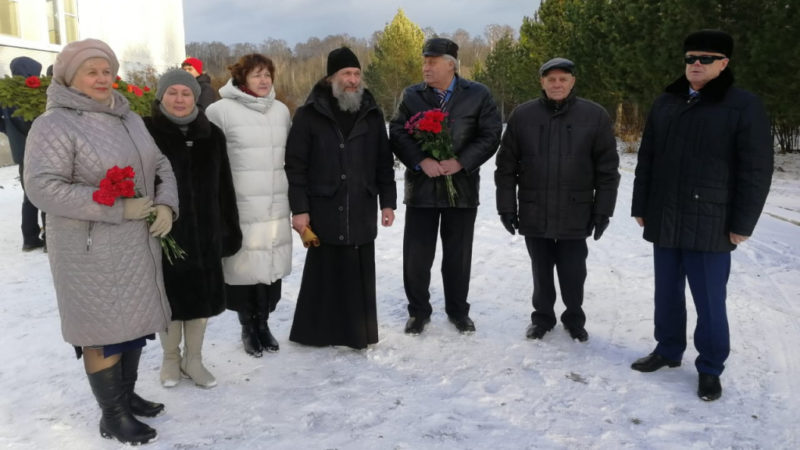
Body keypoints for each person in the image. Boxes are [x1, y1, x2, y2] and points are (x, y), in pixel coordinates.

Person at [24, 38, 179, 445]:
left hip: (137, 244)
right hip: (88, 250)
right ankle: (113, 415)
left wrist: (165, 205)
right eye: (91, 71)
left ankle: (125, 396)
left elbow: (160, 164)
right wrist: (115, 207)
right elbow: (42, 187)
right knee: (103, 330)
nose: (101, 78)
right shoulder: (55, 124)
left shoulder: (127, 118)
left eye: (107, 71)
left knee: (135, 324)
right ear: (69, 77)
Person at [631, 30, 773, 401]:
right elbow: (647, 157)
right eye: (691, 57)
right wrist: (641, 205)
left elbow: (756, 170)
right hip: (665, 214)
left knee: (710, 300)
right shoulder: (667, 101)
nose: (696, 64)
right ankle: (667, 349)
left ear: (723, 63)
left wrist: (743, 223)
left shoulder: (742, 105)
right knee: (666, 292)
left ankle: (710, 367)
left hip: (712, 220)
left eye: (705, 59)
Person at [494, 57, 620, 342]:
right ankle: (542, 318)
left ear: (573, 81)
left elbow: (608, 170)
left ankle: (574, 318)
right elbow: (505, 168)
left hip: (576, 210)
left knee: (573, 269)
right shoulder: (522, 116)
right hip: (533, 208)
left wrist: (603, 211)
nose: (557, 84)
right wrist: (506, 207)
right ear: (542, 82)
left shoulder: (594, 116)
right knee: (541, 268)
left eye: (563, 79)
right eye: (551, 79)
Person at [285, 47, 397, 350]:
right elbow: (296, 166)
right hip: (324, 205)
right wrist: (300, 210)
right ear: (331, 77)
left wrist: (388, 201)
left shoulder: (372, 113)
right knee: (326, 270)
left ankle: (356, 333)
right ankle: (318, 333)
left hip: (361, 203)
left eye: (357, 74)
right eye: (346, 73)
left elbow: (383, 162)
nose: (353, 80)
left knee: (358, 268)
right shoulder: (309, 114)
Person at [390, 37, 502, 335]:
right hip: (422, 189)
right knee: (417, 256)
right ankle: (418, 312)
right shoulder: (411, 95)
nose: (426, 66)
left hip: (461, 189)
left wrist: (461, 162)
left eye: (432, 61)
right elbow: (398, 131)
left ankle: (457, 311)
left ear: (451, 65)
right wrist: (419, 161)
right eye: (424, 60)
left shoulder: (478, 94)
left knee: (458, 255)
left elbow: (491, 135)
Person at [144, 69, 242, 388]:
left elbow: (225, 186)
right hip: (164, 233)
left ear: (195, 98)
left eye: (186, 93)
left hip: (207, 232)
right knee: (169, 300)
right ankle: (171, 359)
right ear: (161, 97)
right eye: (172, 93)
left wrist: (229, 229)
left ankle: (194, 359)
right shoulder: (146, 133)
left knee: (201, 299)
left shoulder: (211, 134)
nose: (179, 99)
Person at [206, 54, 292, 357]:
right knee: (244, 269)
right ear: (241, 78)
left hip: (275, 203)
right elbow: (212, 161)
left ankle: (264, 323)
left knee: (270, 268)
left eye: (267, 74)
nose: (263, 80)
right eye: (256, 75)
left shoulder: (281, 111)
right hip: (240, 203)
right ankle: (248, 327)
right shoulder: (220, 111)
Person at [0, 56, 46, 251]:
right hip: (41, 152)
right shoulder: (30, 94)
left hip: (21, 154)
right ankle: (50, 240)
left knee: (29, 195)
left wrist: (12, 135)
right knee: (46, 193)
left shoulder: (7, 96)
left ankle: (30, 238)